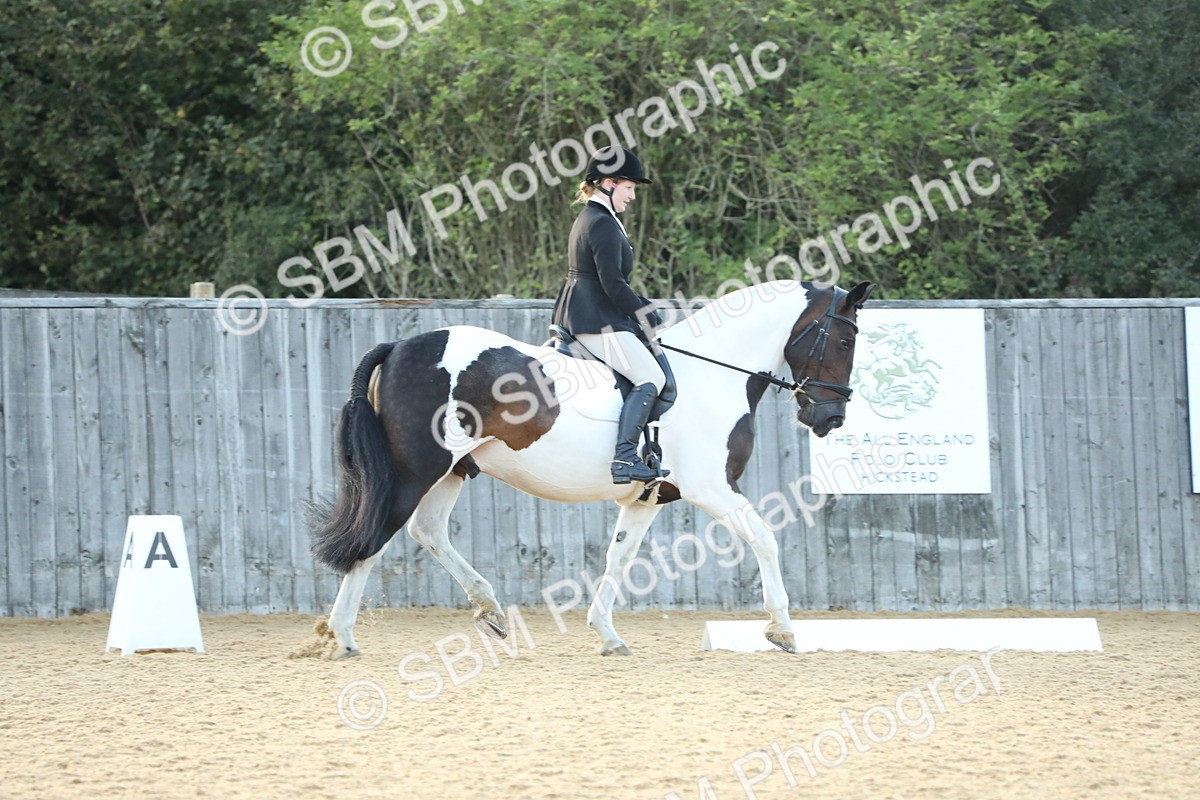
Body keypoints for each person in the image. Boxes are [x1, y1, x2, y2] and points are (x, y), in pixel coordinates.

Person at [551, 146, 670, 485]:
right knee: (651, 378)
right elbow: (614, 285)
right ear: (608, 183)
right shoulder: (601, 223)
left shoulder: (597, 217)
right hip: (594, 319)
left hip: (588, 311)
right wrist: (648, 315)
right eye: (629, 187)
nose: (633, 196)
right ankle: (625, 457)